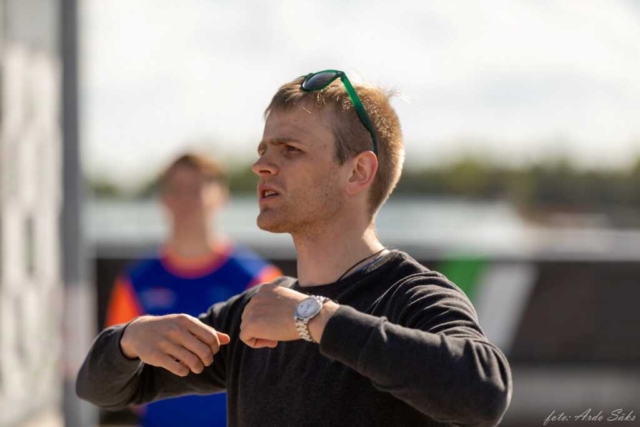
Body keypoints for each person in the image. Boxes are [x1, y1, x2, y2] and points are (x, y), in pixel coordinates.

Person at [78, 70, 513, 427]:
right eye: (263, 149)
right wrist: (130, 339)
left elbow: (484, 392)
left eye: (290, 149)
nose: (261, 166)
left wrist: (312, 317)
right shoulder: (254, 312)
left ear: (358, 172)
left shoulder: (409, 295)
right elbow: (101, 388)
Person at [103, 153, 282, 427]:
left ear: (220, 196)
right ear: (163, 199)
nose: (185, 200)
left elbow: (277, 371)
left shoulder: (258, 279)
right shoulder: (136, 281)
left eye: (196, 189)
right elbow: (116, 368)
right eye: (176, 189)